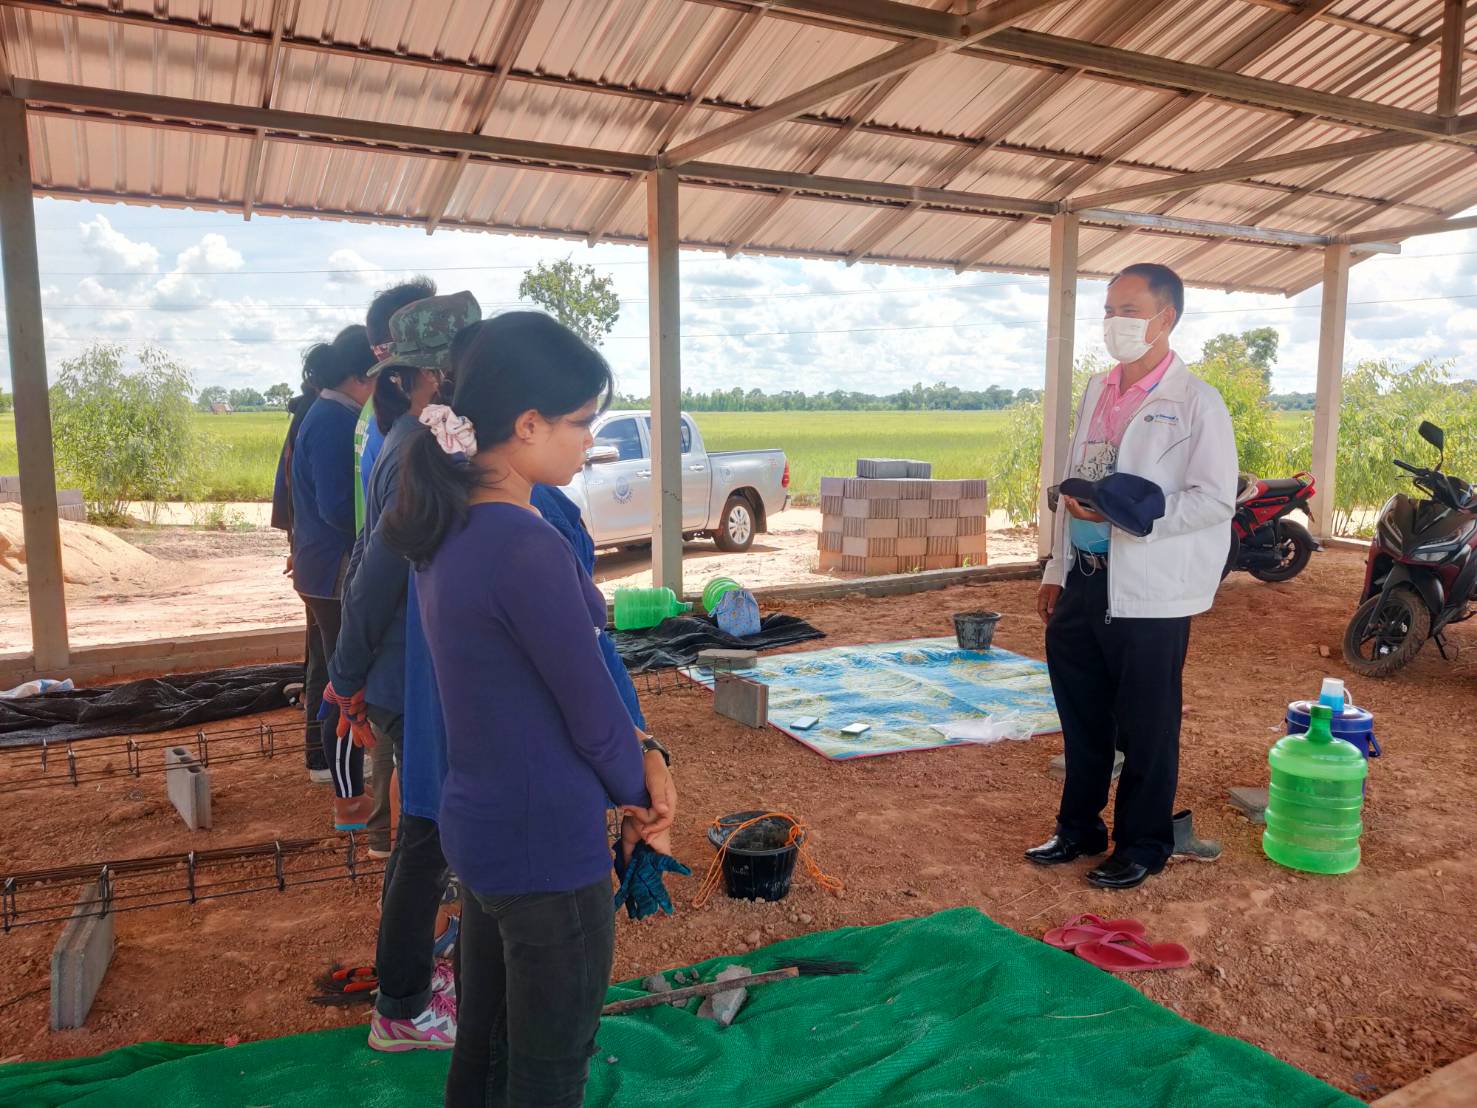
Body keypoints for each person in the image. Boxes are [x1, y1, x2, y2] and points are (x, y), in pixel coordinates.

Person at [382, 312, 675, 1107]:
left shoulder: (452, 527)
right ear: (527, 424)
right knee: (548, 1068)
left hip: (480, 827)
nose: (589, 441)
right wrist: (645, 787)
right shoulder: (524, 543)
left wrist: (637, 755)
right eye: (581, 422)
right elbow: (589, 711)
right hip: (547, 846)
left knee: (483, 1048)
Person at [1029, 263, 1236, 890]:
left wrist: (1135, 519)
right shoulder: (1098, 390)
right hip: (1086, 578)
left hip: (1149, 590)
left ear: (1165, 318)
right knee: (1083, 714)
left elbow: (1215, 499)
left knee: (1147, 724)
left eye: (1128, 311)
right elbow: (1078, 481)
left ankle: (1143, 843)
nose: (1114, 323)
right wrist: (1056, 568)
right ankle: (1079, 827)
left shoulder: (1196, 402)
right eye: (1108, 311)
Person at [356, 276, 437, 854]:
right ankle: (396, 830)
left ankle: (394, 832)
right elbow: (379, 562)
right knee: (418, 768)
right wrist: (346, 671)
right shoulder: (410, 445)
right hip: (408, 637)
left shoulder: (399, 433)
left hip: (404, 638)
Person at [290, 325, 377, 812]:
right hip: (334, 571)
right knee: (344, 679)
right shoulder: (331, 419)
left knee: (335, 672)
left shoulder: (333, 412)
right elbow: (337, 507)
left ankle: (337, 773)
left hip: (325, 568)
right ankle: (346, 793)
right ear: (361, 376)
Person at [270, 366, 325, 776]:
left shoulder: (308, 414)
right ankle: (322, 755)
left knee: (321, 652)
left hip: (310, 552)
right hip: (324, 558)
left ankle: (320, 751)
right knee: (330, 658)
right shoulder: (325, 419)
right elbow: (335, 506)